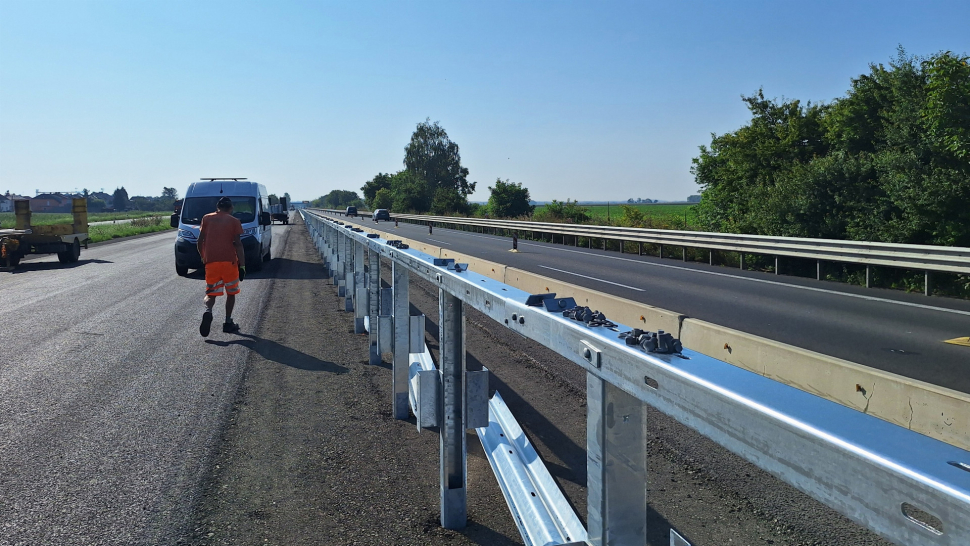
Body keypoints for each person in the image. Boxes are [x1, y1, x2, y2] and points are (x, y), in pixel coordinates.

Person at [196, 196, 245, 336]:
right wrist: (242, 265)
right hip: (229, 262)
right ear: (231, 208)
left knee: (210, 293)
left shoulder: (206, 218)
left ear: (217, 207)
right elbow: (238, 244)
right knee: (231, 293)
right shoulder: (234, 221)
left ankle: (208, 311)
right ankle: (228, 322)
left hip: (211, 262)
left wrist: (203, 256)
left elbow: (200, 241)